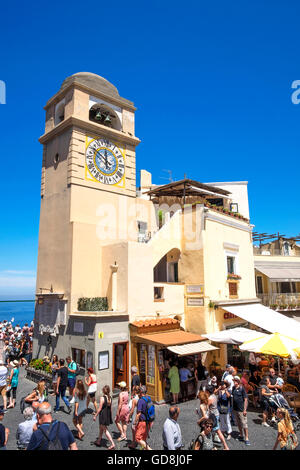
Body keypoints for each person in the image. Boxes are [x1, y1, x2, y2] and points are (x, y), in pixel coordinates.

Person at [206, 385, 229, 450]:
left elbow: (206, 407)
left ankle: (225, 446)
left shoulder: (210, 398)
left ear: (207, 391)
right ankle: (223, 446)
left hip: (212, 416)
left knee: (215, 431)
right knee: (215, 431)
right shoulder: (214, 396)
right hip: (216, 414)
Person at [93, 385, 114, 449]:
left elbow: (99, 408)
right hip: (107, 415)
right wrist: (110, 416)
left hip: (103, 415)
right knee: (101, 428)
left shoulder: (102, 398)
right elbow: (110, 409)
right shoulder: (110, 398)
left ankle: (112, 443)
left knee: (105, 430)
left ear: (103, 391)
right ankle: (99, 440)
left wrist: (95, 415)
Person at [232, 376, 250, 445]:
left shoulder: (242, 389)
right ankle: (241, 435)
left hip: (241, 409)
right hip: (235, 409)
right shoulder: (233, 388)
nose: (234, 382)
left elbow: (245, 399)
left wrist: (245, 409)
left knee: (244, 424)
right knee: (238, 423)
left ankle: (247, 438)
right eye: (234, 381)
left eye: (236, 381)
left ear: (238, 381)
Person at [133, 385, 152, 450]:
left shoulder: (140, 401)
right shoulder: (149, 398)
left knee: (138, 438)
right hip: (149, 421)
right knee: (143, 438)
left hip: (143, 422)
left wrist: (135, 422)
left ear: (141, 392)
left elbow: (138, 414)